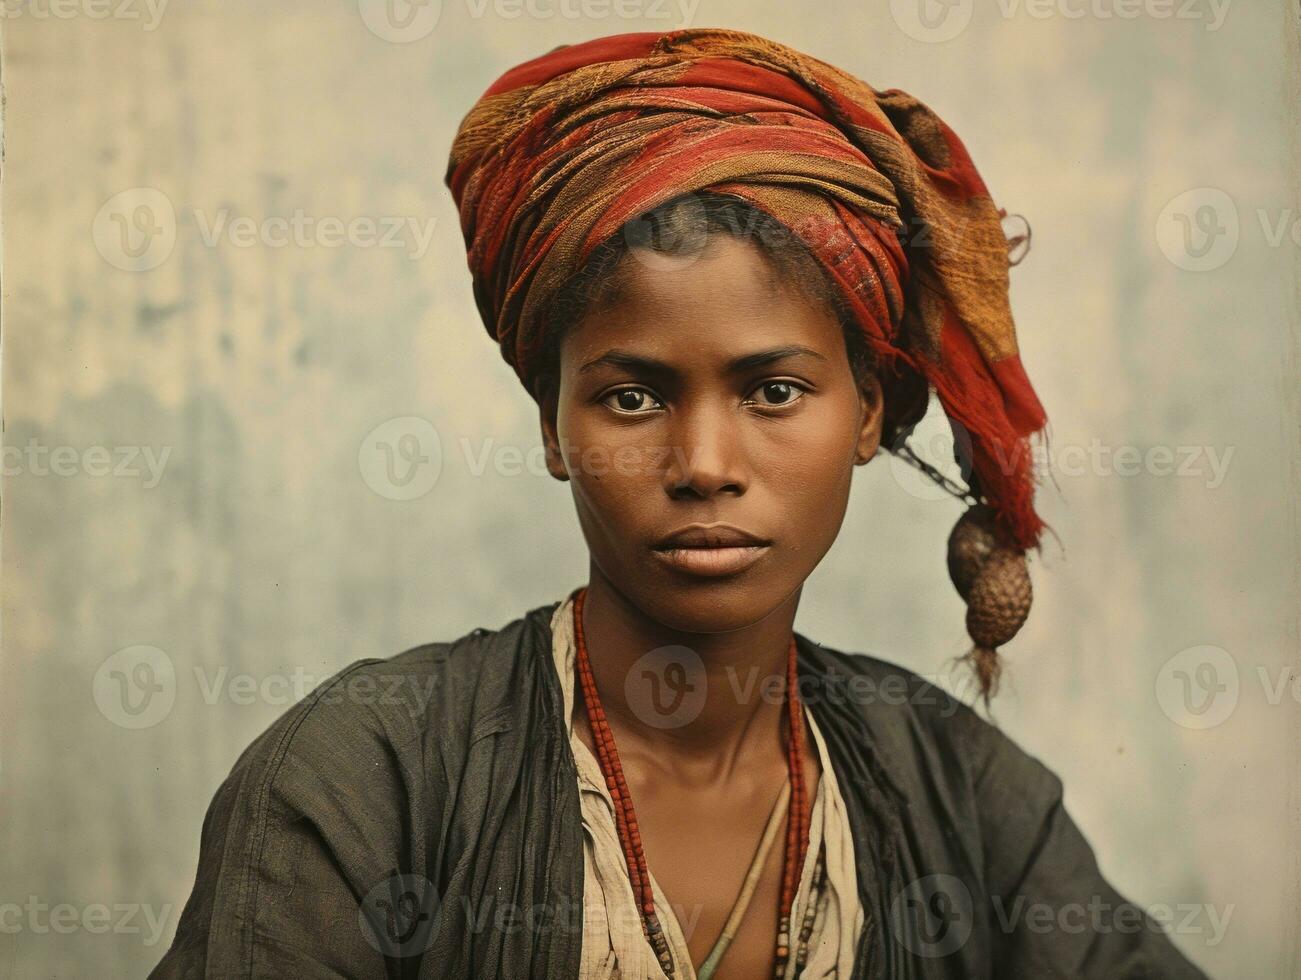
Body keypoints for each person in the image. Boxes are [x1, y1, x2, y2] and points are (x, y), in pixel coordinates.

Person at [150, 28, 1210, 980]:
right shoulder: (364, 781)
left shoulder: (966, 797)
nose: (703, 461)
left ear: (865, 414)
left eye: (773, 390)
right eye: (632, 395)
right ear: (552, 429)